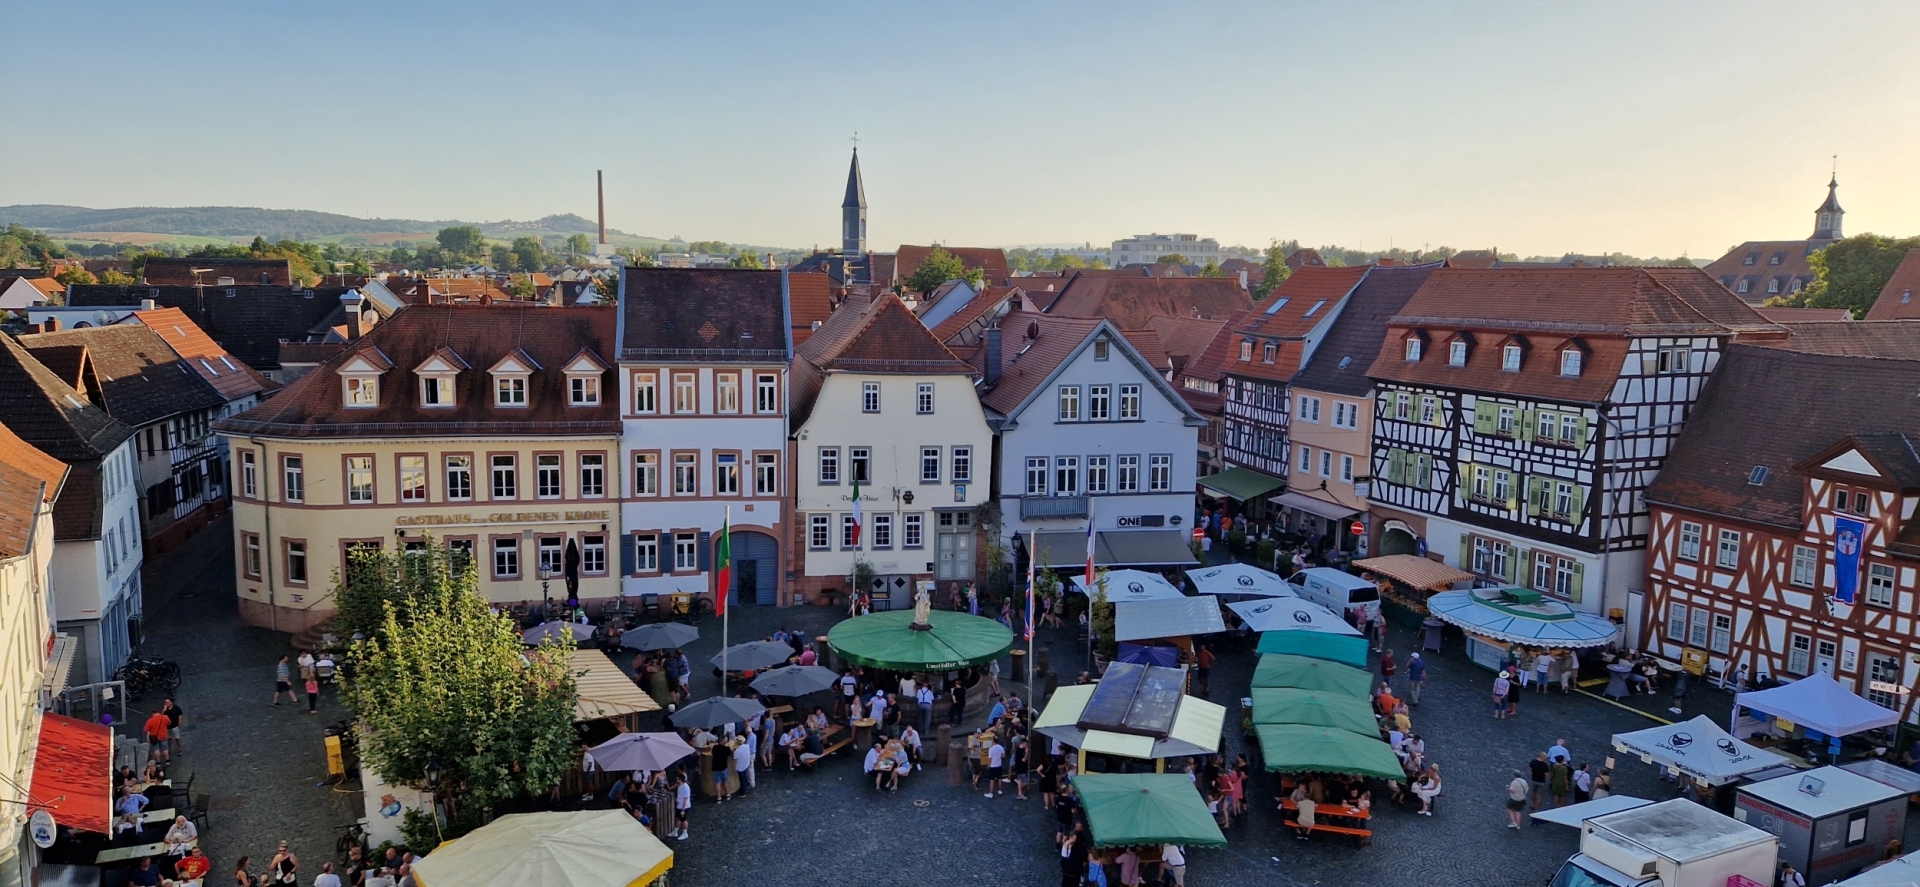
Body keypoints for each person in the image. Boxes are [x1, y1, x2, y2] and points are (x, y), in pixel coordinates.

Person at [672, 772, 692, 841]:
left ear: (680, 779)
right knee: (678, 818)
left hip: (684, 807)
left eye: (677, 779)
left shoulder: (685, 788)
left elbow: (685, 800)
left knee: (683, 820)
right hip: (679, 805)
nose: (676, 780)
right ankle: (675, 831)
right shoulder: (680, 785)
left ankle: (685, 833)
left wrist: (683, 810)